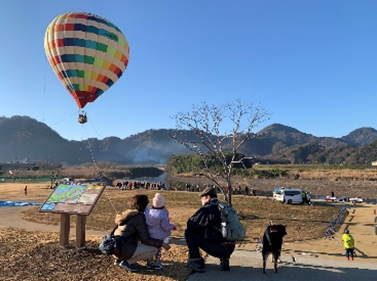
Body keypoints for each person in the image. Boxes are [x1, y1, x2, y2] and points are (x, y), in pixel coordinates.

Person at [112, 194, 171, 272]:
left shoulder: (129, 214)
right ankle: (126, 262)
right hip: (123, 249)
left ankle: (120, 259)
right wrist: (162, 244)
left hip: (116, 248)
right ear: (143, 205)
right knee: (154, 249)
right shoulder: (138, 217)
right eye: (147, 203)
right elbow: (146, 239)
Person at [185, 186, 235, 273]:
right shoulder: (225, 207)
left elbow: (191, 224)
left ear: (207, 197)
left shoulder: (207, 209)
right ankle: (225, 258)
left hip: (217, 247)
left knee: (189, 233)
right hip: (230, 247)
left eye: (202, 197)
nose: (201, 200)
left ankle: (196, 262)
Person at [144, 193, 177, 269]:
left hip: (149, 235)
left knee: (150, 250)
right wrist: (172, 227)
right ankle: (157, 263)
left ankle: (149, 263)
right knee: (158, 250)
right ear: (162, 204)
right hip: (159, 236)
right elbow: (165, 226)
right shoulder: (163, 214)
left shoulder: (148, 212)